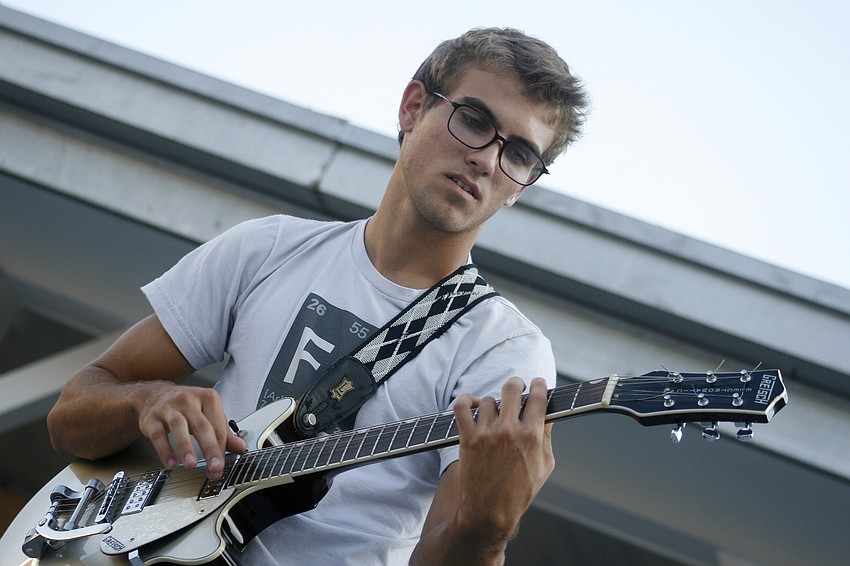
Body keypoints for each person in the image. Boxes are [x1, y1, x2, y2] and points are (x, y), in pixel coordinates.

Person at [46, 27, 588, 565]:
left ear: (521, 185)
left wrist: (486, 531)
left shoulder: (506, 352)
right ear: (413, 107)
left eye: (518, 154)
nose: (488, 161)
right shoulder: (267, 248)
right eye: (474, 120)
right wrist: (148, 400)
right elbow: (71, 417)